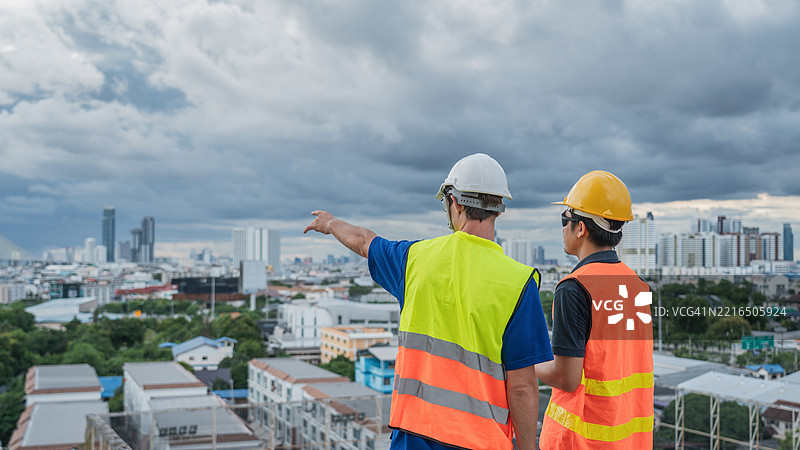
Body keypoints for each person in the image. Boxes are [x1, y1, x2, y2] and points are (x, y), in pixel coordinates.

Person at [304, 153, 552, 450]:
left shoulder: (414, 260)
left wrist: (330, 223)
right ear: (499, 209)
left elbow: (364, 240)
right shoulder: (519, 282)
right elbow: (523, 387)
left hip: (415, 435)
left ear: (455, 203)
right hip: (482, 441)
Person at [535, 170, 655, 449]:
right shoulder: (638, 286)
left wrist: (525, 361)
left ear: (580, 228)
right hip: (629, 441)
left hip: (581, 441)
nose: (563, 228)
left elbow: (566, 377)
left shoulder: (575, 288)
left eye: (565, 220)